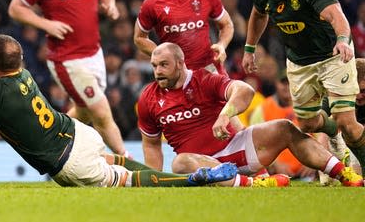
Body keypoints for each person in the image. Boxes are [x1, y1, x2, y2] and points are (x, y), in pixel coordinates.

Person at [0, 34, 238, 188]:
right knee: (115, 162)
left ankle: (192, 180)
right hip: (78, 134)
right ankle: (172, 175)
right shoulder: (24, 74)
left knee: (131, 182)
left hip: (68, 162)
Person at [137, 43, 363, 187]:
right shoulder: (148, 98)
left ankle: (345, 175)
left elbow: (244, 90)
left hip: (237, 148)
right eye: (154, 65)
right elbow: (151, 144)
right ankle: (254, 183)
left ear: (180, 63)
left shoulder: (202, 79)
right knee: (179, 163)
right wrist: (155, 179)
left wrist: (226, 114)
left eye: (164, 65)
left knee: (285, 128)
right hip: (202, 164)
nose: (158, 71)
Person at [242, 0, 365, 174]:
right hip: (299, 62)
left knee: (347, 122)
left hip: (332, 56)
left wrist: (342, 40)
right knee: (308, 122)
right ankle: (332, 134)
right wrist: (249, 48)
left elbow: (336, 14)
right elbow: (258, 14)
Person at [8, 0, 127, 156]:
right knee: (101, 111)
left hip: (94, 53)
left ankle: (46, 142)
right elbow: (15, 9)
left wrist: (110, 4)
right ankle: (127, 160)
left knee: (83, 111)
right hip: (66, 59)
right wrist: (45, 24)